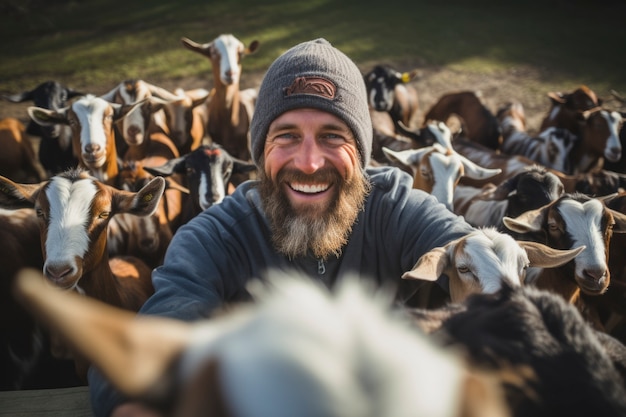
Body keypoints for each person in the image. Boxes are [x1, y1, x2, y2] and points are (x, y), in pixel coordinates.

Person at [89, 38, 475, 417]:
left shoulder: (394, 207)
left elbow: (477, 257)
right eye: (287, 135)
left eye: (332, 136)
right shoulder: (215, 236)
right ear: (260, 150)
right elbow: (150, 341)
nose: (308, 163)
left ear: (361, 153)